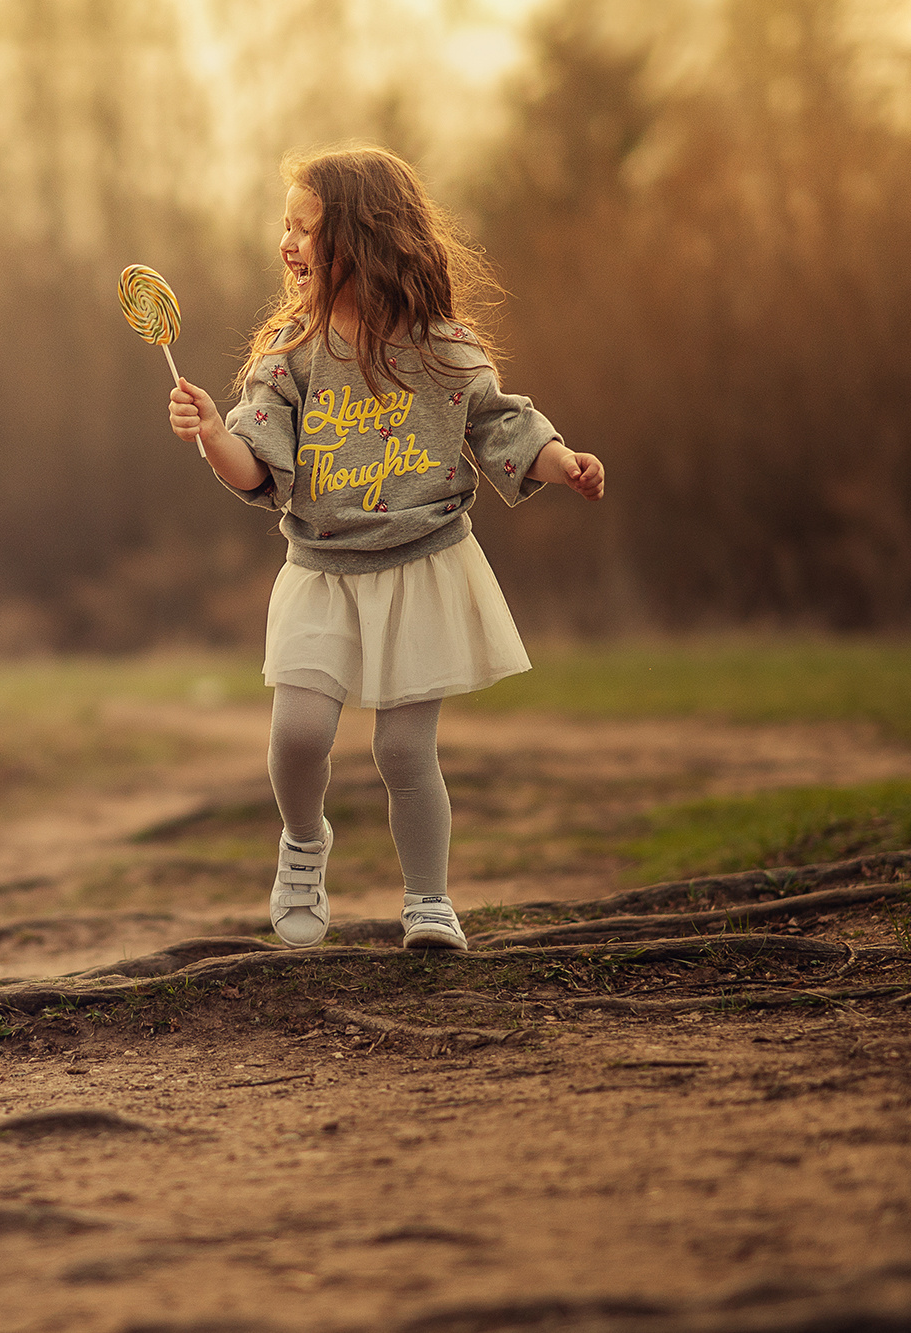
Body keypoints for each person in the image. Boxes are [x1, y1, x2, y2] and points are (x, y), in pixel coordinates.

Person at [168, 144, 604, 952]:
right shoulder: (289, 356)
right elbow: (256, 465)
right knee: (298, 733)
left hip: (423, 566)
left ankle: (429, 900)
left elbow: (501, 423)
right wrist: (206, 436)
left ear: (361, 240)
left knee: (405, 749)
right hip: (322, 571)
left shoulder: (443, 347)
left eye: (303, 228)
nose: (286, 243)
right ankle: (304, 843)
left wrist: (560, 461)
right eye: (285, 226)